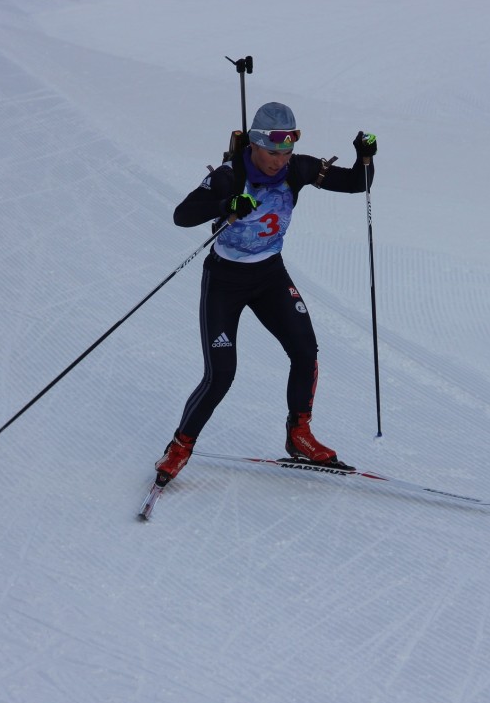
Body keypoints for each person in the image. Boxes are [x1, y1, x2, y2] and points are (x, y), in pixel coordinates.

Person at [155, 101, 377, 481]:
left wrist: (366, 159)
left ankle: (299, 435)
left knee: (305, 351)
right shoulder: (229, 175)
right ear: (254, 145)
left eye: (286, 152)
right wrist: (226, 204)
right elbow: (182, 215)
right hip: (225, 280)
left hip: (270, 276)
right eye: (273, 153)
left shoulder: (299, 168)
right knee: (221, 374)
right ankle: (179, 447)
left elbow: (358, 183)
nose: (280, 161)